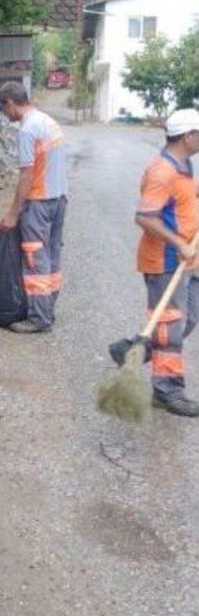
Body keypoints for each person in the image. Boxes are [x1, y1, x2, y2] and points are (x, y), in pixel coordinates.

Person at [131, 109, 199, 417]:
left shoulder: (185, 166)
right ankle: (168, 391)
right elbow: (145, 218)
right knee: (171, 327)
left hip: (188, 261)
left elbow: (183, 201)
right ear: (188, 137)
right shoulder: (161, 172)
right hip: (166, 261)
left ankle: (135, 349)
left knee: (189, 319)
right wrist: (179, 243)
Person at [0, 82, 67, 333]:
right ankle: (48, 309)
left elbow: (26, 175)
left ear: (10, 103)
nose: (5, 116)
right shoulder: (48, 121)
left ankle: (39, 318)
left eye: (3, 109)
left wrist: (13, 213)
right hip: (59, 199)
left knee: (35, 260)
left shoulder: (27, 129)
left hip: (39, 203)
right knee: (51, 258)